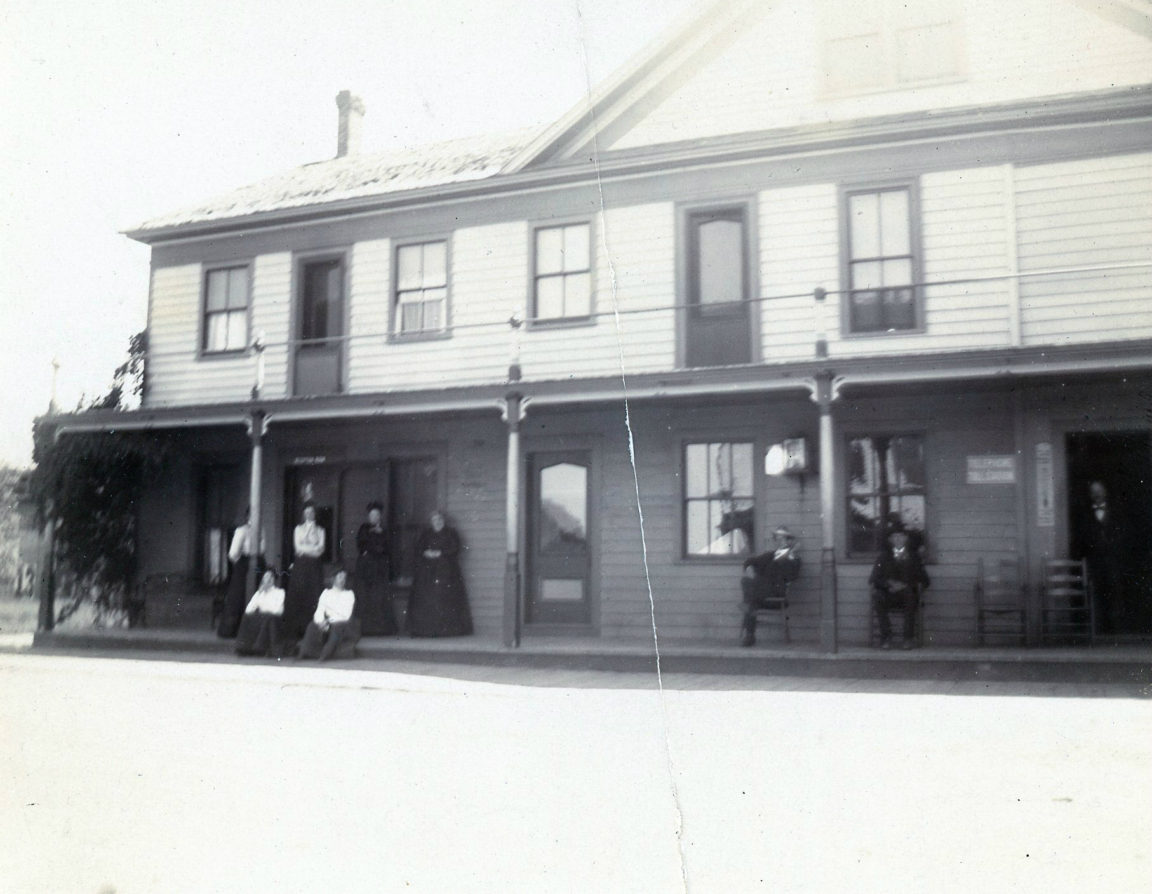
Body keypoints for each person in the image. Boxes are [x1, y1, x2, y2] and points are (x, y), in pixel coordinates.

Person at [408, 510, 473, 637]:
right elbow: (419, 548)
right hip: (428, 573)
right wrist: (426, 553)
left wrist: (441, 553)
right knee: (428, 599)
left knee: (445, 598)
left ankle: (446, 630)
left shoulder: (451, 533)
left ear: (443, 520)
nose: (437, 522)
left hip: (446, 571)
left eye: (439, 519)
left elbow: (455, 548)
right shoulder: (426, 534)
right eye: (434, 520)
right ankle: (428, 630)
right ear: (431, 522)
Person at [1073, 480, 1126, 634]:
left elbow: (1123, 534)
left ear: (1105, 493)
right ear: (1090, 495)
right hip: (1093, 560)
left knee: (1115, 593)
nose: (1097, 495)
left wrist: (1113, 547)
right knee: (1094, 593)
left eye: (1099, 491)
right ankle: (1097, 630)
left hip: (1112, 560)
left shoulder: (1116, 512)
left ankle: (1116, 631)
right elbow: (1081, 537)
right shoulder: (1085, 514)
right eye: (1093, 492)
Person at [870, 521, 930, 649]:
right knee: (878, 597)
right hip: (889, 595)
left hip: (907, 596)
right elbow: (874, 578)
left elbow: (925, 580)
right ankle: (886, 638)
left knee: (910, 595)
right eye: (894, 537)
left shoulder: (914, 557)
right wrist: (888, 584)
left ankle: (908, 639)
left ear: (906, 538)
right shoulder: (883, 557)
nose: (898, 539)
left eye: (901, 536)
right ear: (890, 540)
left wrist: (906, 585)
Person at [739, 525, 802, 646]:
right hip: (761, 595)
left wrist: (790, 555)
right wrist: (749, 569)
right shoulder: (769, 556)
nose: (780, 541)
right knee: (746, 582)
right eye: (777, 538)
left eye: (783, 538)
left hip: (777, 596)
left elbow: (792, 576)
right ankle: (750, 636)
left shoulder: (794, 559)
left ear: (789, 541)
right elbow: (749, 562)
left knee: (750, 599)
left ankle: (749, 632)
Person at [217, 508, 264, 639]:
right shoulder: (242, 530)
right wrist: (242, 563)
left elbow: (262, 548)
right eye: (253, 515)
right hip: (243, 565)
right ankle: (233, 630)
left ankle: (255, 630)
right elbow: (232, 553)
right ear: (248, 516)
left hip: (258, 564)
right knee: (239, 596)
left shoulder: (261, 530)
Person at [283, 502, 325, 642]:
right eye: (306, 512)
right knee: (299, 593)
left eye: (311, 512)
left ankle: (313, 631)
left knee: (314, 594)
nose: (309, 515)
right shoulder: (298, 529)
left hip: (314, 566)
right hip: (300, 567)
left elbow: (321, 550)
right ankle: (297, 631)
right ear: (303, 514)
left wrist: (307, 548)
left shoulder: (320, 530)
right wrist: (311, 548)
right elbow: (298, 548)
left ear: (315, 514)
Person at [354, 501, 397, 636]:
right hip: (366, 568)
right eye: (372, 515)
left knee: (379, 597)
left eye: (377, 515)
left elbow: (388, 547)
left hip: (380, 568)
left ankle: (381, 629)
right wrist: (376, 547)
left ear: (380, 517)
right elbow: (362, 545)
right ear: (369, 517)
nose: (374, 517)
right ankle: (365, 629)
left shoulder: (385, 531)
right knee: (365, 596)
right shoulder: (363, 528)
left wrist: (377, 544)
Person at [297, 569, 360, 660]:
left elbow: (346, 615)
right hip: (327, 623)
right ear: (333, 579)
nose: (343, 580)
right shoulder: (326, 593)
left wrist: (328, 621)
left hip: (343, 624)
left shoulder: (349, 594)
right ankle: (304, 653)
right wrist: (320, 621)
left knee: (337, 627)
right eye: (340, 577)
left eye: (344, 578)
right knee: (312, 625)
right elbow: (320, 610)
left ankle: (325, 655)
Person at [234, 570, 284, 657]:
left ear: (274, 580)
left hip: (273, 618)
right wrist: (260, 594)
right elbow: (249, 609)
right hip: (262, 616)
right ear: (263, 580)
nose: (268, 580)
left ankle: (261, 648)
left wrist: (265, 608)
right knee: (247, 617)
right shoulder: (259, 593)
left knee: (268, 618)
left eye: (270, 577)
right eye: (266, 577)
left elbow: (276, 610)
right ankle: (244, 648)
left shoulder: (279, 592)